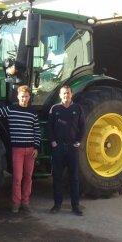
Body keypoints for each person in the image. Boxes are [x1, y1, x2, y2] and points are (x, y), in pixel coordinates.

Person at [0, 85, 40, 213]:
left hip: (30, 150)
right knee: (17, 178)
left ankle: (25, 202)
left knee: (28, 177)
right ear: (18, 96)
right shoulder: (11, 109)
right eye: (22, 96)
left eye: (26, 96)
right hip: (17, 149)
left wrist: (36, 147)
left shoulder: (33, 112)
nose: (24, 99)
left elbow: (37, 130)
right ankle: (16, 203)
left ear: (29, 97)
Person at [47, 85, 85, 216]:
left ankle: (75, 206)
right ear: (60, 95)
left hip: (72, 149)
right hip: (58, 148)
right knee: (57, 177)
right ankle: (57, 205)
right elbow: (49, 127)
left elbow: (83, 127)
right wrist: (53, 142)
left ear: (71, 94)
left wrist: (78, 142)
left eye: (68, 93)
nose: (66, 95)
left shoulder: (78, 108)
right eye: (64, 93)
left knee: (74, 178)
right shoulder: (55, 108)